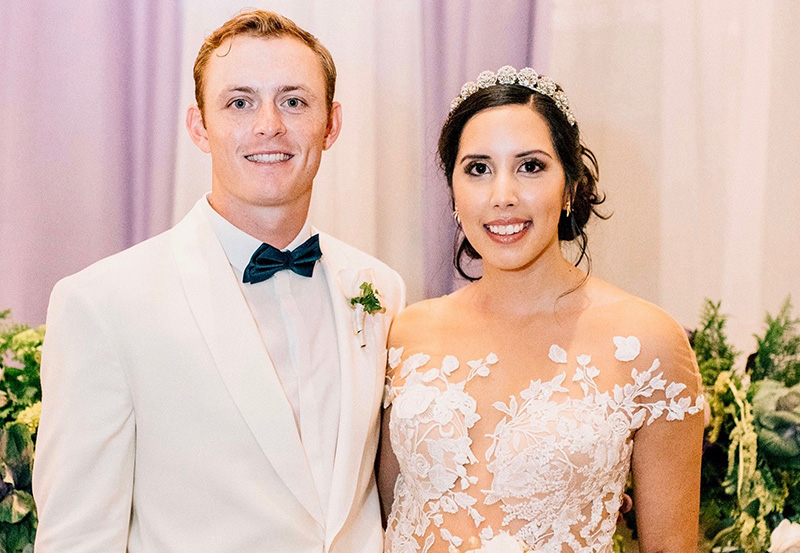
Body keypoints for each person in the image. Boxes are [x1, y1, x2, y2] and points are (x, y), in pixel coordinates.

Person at [33, 10, 405, 553]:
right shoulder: (102, 304)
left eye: (294, 101)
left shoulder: (382, 290)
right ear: (199, 127)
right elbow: (77, 539)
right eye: (240, 102)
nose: (269, 125)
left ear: (332, 124)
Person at [378, 66, 704, 553]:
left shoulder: (648, 342)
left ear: (570, 186)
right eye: (478, 168)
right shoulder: (406, 333)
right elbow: (385, 511)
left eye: (530, 166)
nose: (502, 196)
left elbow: (669, 546)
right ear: (453, 192)